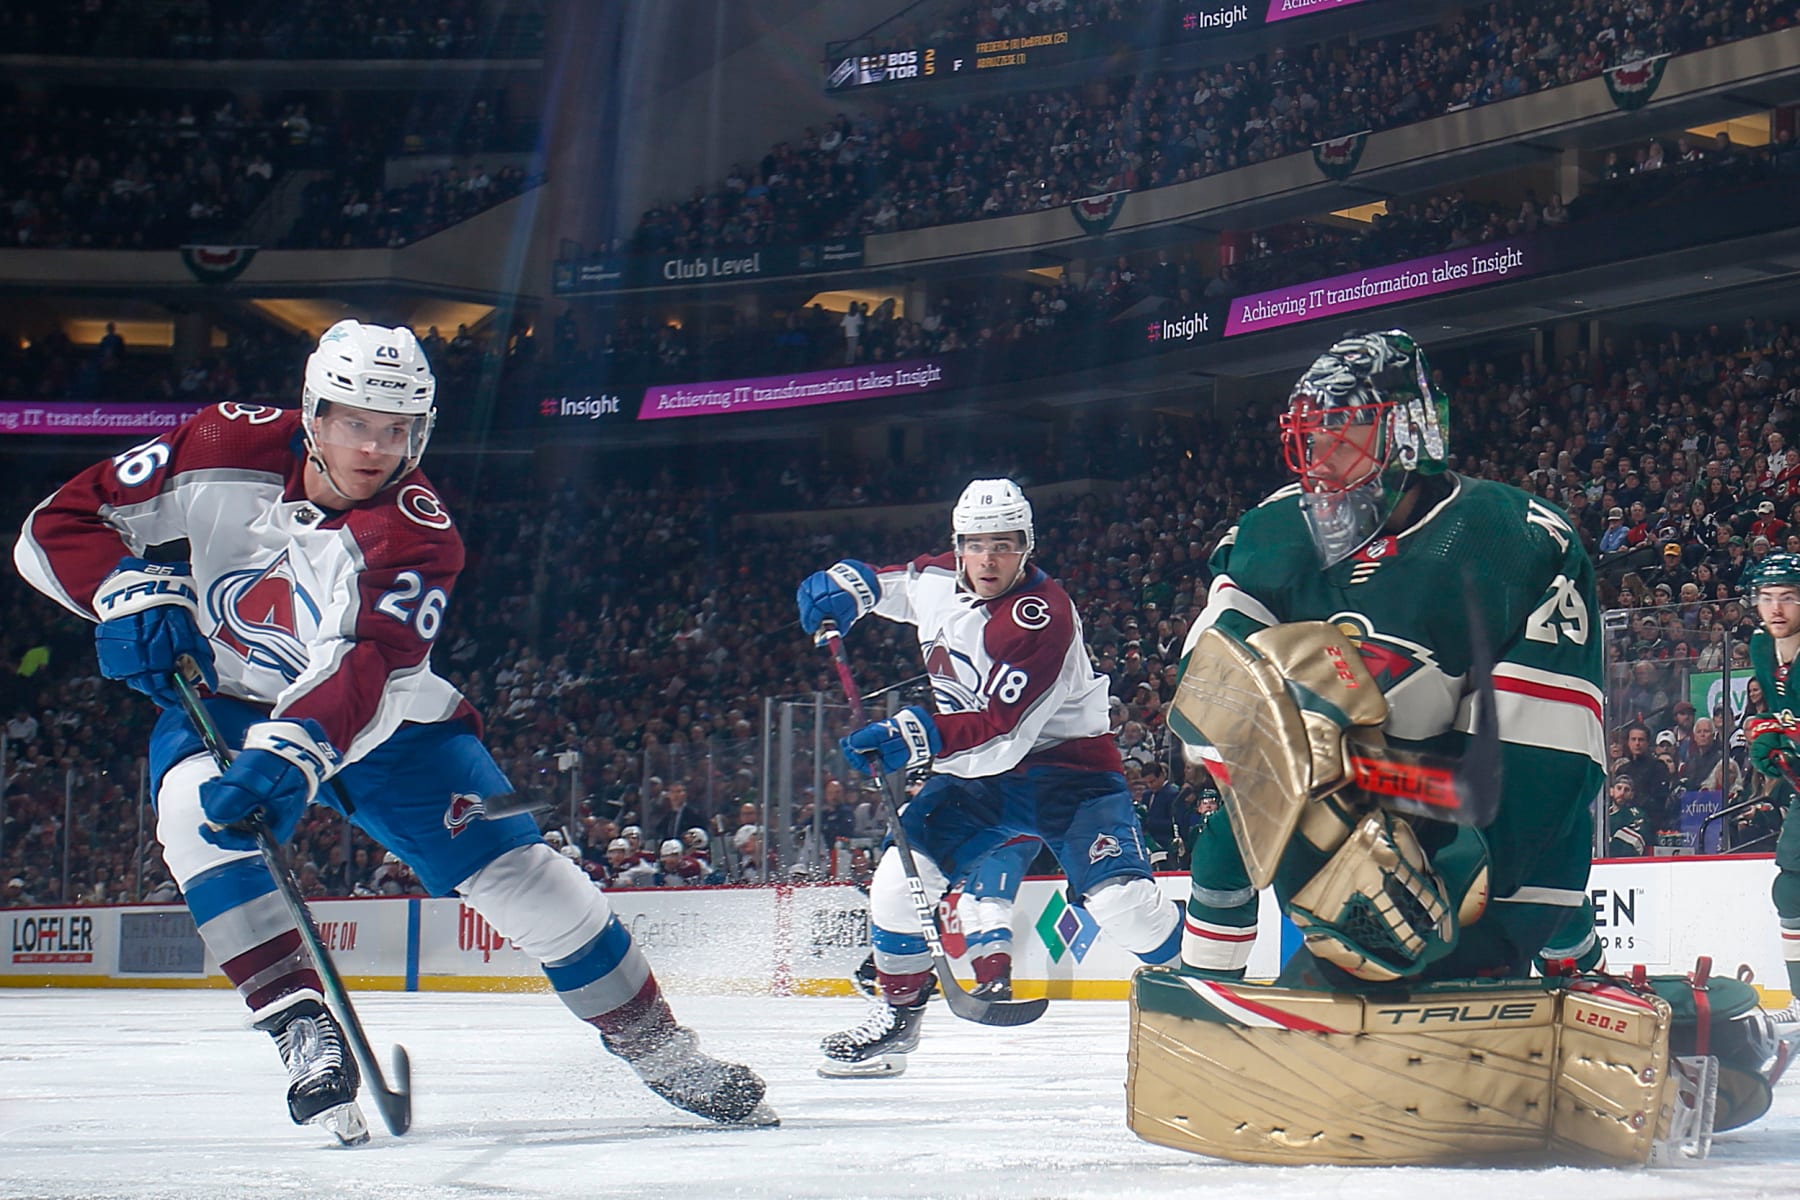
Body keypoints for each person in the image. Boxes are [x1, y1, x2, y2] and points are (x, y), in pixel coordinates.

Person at [11, 320, 768, 1142]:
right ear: (312, 413)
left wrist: (291, 755)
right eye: (355, 423)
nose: (375, 447)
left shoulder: (421, 532)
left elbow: (371, 669)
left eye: (397, 428)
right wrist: (124, 590)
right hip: (228, 699)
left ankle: (661, 1050)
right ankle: (302, 1028)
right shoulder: (218, 440)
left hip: (393, 721)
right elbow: (54, 528)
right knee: (194, 818)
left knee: (529, 874)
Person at [1173, 329, 1605, 990]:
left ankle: (1577, 962)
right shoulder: (1270, 531)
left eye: (1344, 430)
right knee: (1237, 814)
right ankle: (1202, 1003)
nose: (1321, 456)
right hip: (1348, 800)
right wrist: (1336, 794)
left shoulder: (1519, 541)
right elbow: (1212, 687)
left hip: (1465, 801)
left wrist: (1465, 861)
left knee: (1505, 920)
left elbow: (1544, 761)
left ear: (1409, 431)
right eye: (1311, 434)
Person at [796, 478, 1181, 1077]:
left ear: (1026, 546)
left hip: (1070, 775)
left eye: (1003, 544)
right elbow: (892, 587)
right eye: (976, 544)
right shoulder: (938, 578)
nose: (988, 559)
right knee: (897, 886)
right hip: (976, 779)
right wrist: (847, 588)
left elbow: (1002, 735)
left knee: (1125, 905)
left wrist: (909, 735)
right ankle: (898, 1021)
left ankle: (1210, 987)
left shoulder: (1040, 616)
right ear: (959, 546)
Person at [1738, 552, 1800, 1025]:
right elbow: (1775, 709)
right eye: (1767, 598)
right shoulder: (1762, 646)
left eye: (1788, 598)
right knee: (1791, 889)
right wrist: (1766, 731)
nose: (1776, 608)